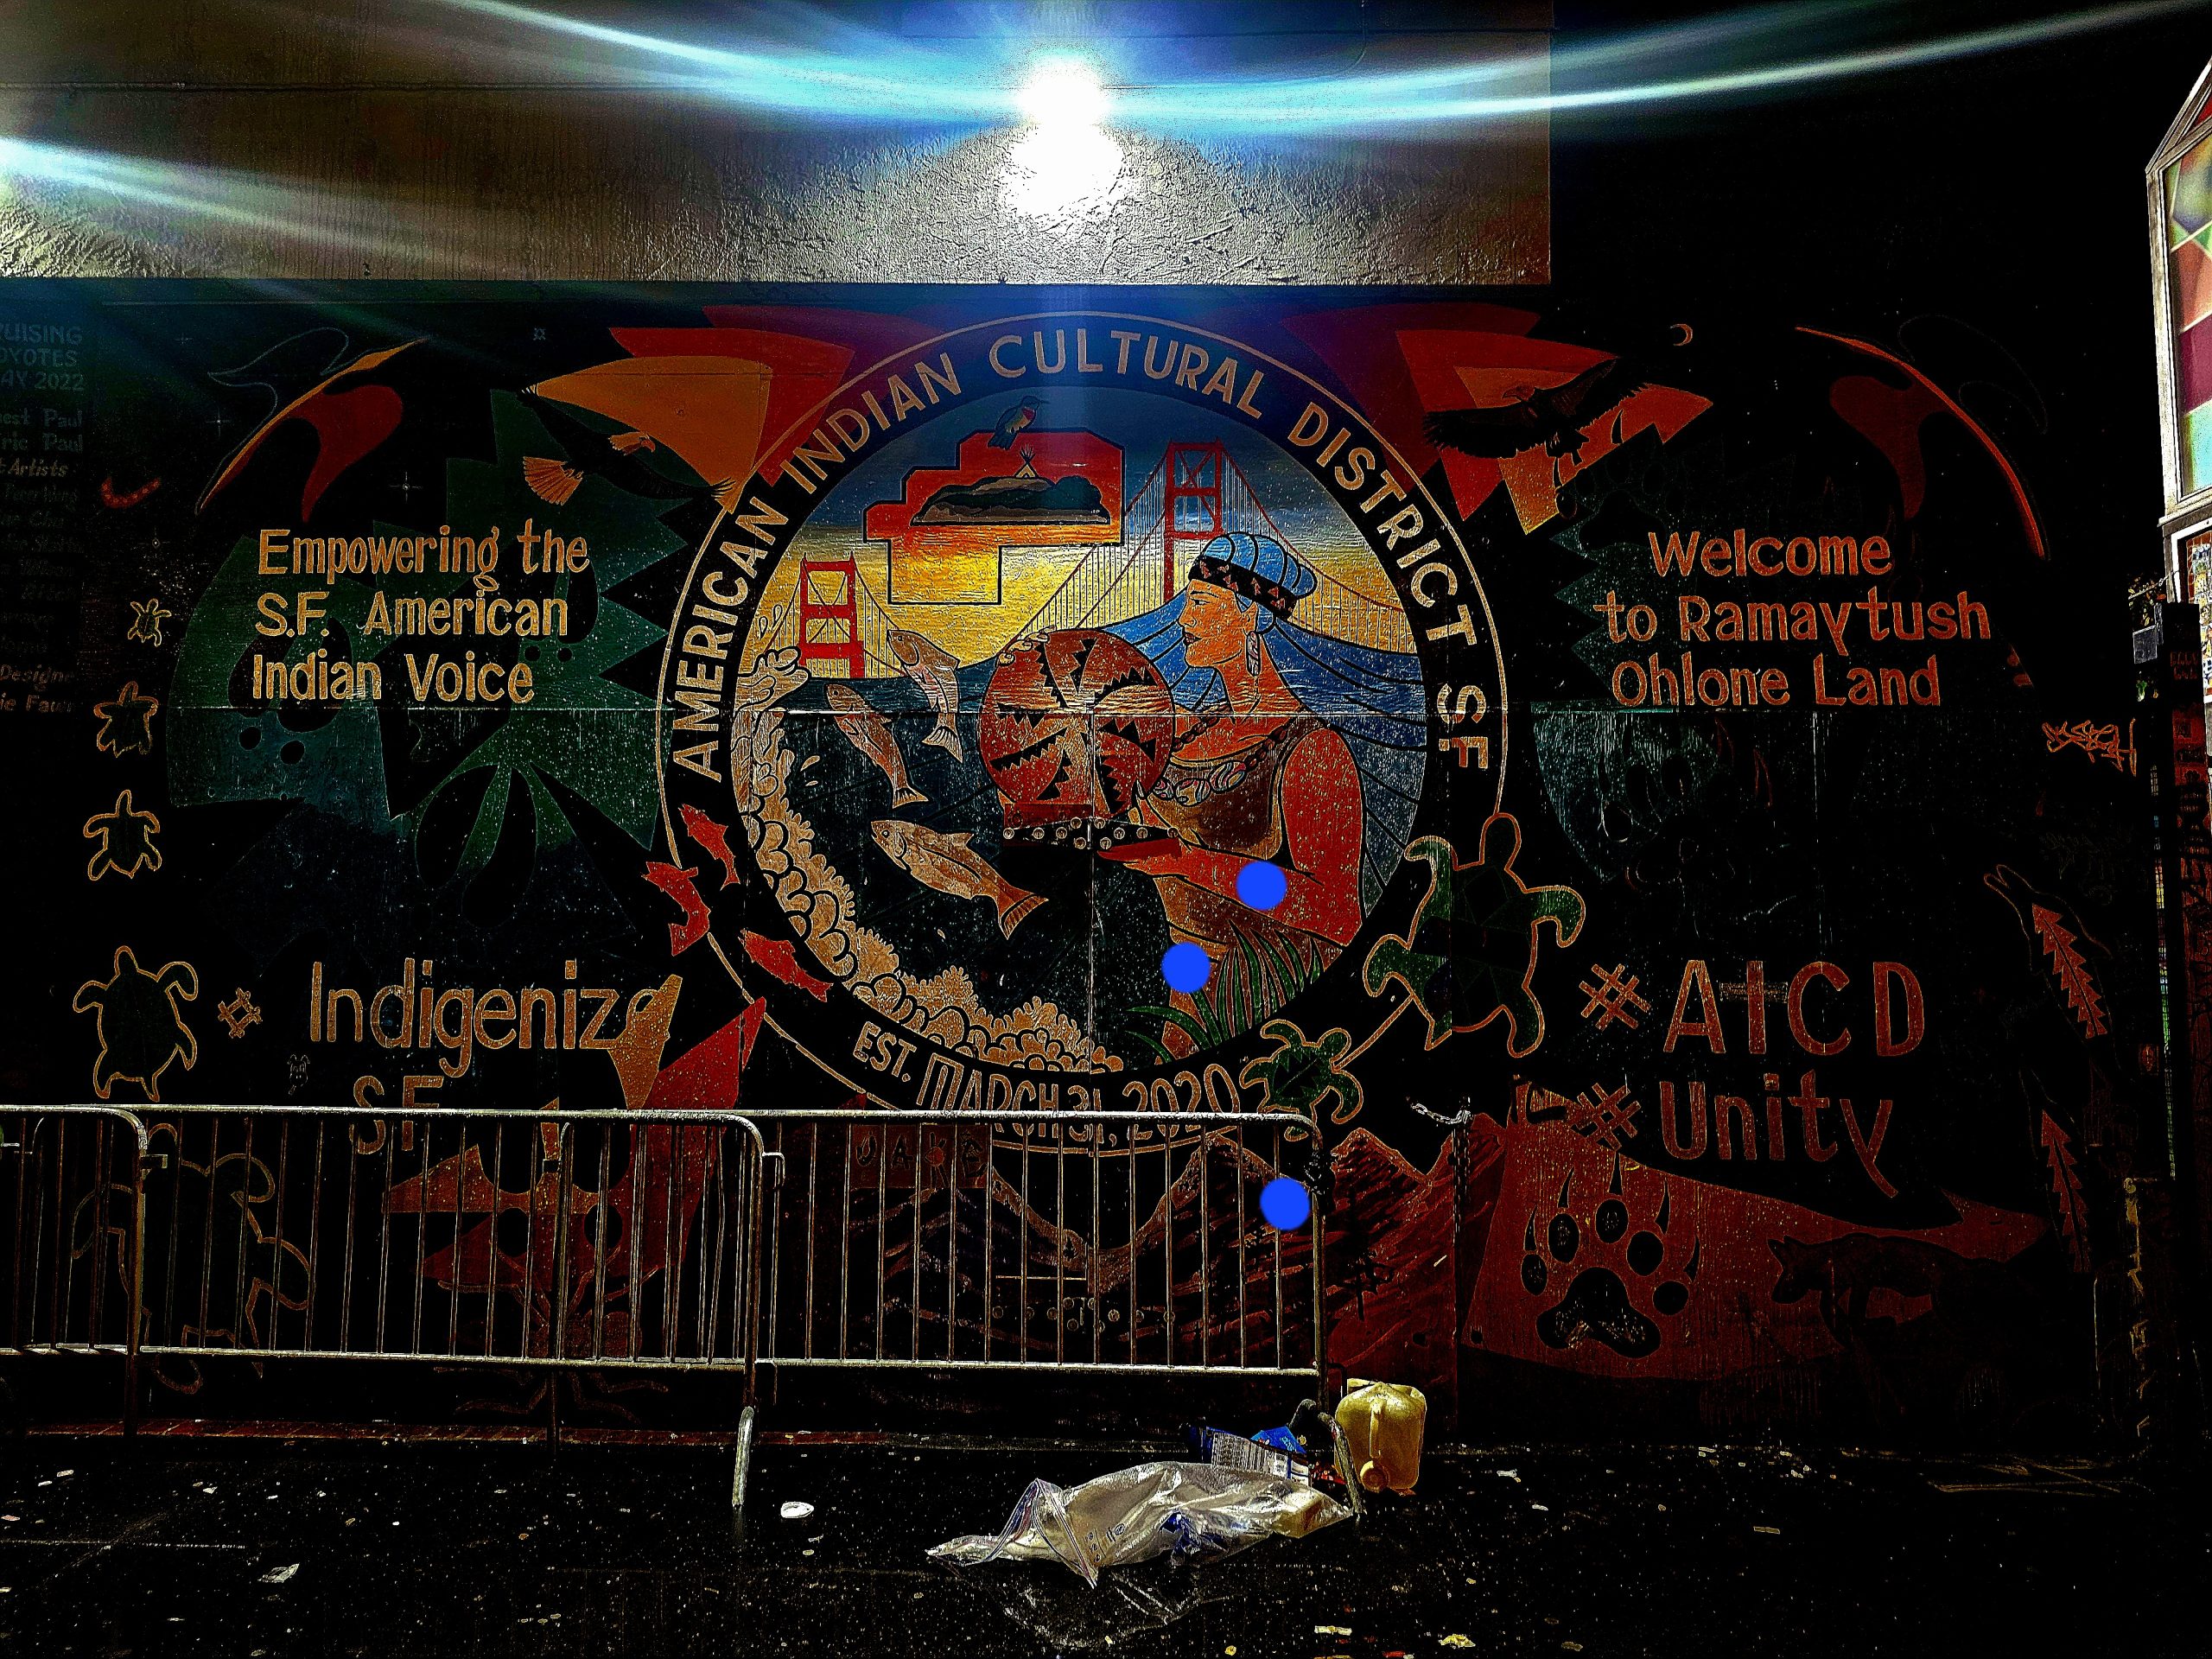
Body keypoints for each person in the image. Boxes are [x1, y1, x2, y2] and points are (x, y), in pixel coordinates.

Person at [1114, 532, 1364, 1048]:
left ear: (1250, 615)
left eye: (1201, 604)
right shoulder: (1191, 730)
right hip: (1175, 1001)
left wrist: (1188, 862)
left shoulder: (1311, 749)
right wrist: (1046, 662)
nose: (1183, 621)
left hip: (1258, 1006)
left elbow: (1337, 913)